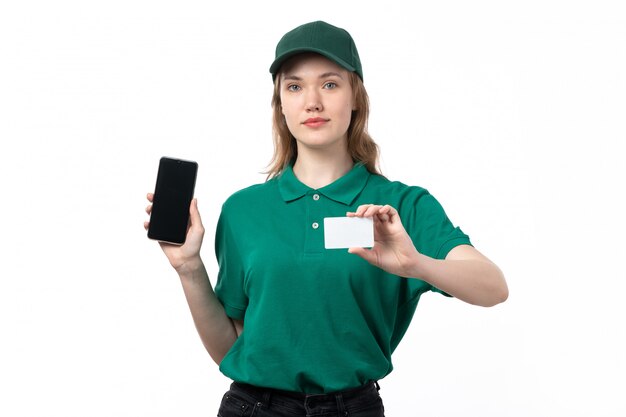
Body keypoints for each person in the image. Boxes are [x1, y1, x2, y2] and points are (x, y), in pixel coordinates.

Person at [144, 20, 508, 417]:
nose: (312, 101)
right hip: (252, 407)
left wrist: (415, 264)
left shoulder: (400, 206)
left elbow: (493, 288)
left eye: (330, 84)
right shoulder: (242, 211)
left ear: (356, 97)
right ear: (280, 104)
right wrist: (189, 268)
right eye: (295, 86)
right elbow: (232, 349)